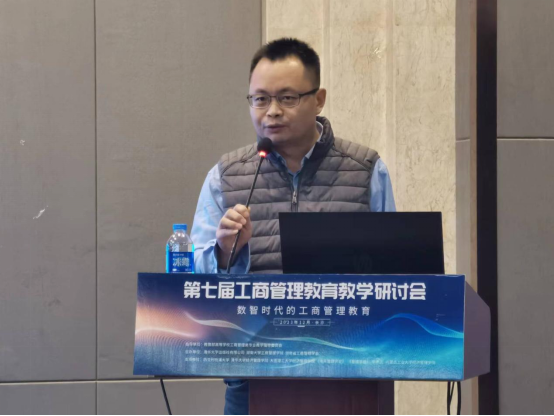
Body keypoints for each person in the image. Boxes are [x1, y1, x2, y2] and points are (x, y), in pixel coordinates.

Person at [191, 37, 396, 415]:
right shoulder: (226, 176)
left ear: (318, 99)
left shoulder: (365, 170)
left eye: (287, 98)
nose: (272, 112)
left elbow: (396, 275)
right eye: (260, 99)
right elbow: (194, 281)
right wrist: (224, 252)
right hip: (253, 377)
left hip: (348, 373)